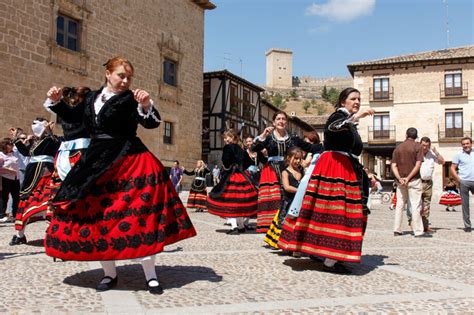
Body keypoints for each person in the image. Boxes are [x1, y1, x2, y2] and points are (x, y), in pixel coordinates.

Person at [44, 57, 196, 294]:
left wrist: (146, 105)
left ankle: (151, 275)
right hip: (95, 163)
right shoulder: (92, 98)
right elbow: (75, 118)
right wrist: (56, 103)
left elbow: (151, 124)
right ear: (108, 74)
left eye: (129, 77)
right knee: (98, 218)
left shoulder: (130, 99)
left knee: (140, 220)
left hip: (129, 160)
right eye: (121, 76)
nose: (125, 81)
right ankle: (109, 274)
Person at [278, 88, 373, 274]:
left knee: (335, 211)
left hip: (345, 168)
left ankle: (326, 253)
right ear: (342, 101)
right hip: (334, 169)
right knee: (336, 211)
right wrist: (356, 117)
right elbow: (333, 128)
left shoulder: (349, 122)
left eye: (359, 99)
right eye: (353, 98)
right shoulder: (337, 117)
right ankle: (329, 259)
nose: (357, 102)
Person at [251, 111, 323, 233]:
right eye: (278, 119)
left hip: (291, 171)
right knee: (276, 200)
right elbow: (254, 148)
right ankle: (275, 232)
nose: (281, 121)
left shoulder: (293, 139)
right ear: (273, 122)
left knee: (290, 200)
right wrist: (263, 135)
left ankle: (289, 230)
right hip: (272, 172)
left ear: (286, 122)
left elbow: (311, 148)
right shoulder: (268, 139)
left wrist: (326, 148)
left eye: (283, 119)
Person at [10, 118, 60, 245]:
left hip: (45, 172)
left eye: (39, 123)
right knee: (26, 200)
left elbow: (55, 147)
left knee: (47, 200)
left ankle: (53, 234)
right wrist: (17, 139)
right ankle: (19, 235)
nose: (34, 126)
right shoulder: (34, 141)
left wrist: (49, 133)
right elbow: (26, 153)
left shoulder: (52, 139)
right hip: (31, 173)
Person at [207, 130, 258, 235]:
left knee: (229, 201)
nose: (226, 140)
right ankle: (241, 226)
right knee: (239, 202)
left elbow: (225, 160)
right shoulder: (241, 148)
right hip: (241, 175)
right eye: (225, 138)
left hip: (231, 175)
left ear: (233, 138)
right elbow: (249, 162)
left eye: (227, 137)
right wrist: (240, 167)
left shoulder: (227, 147)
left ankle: (234, 227)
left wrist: (228, 166)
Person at [264, 146, 304, 248]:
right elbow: (287, 187)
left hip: (298, 203)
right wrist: (301, 191)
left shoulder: (301, 171)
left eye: (300, 159)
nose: (298, 161)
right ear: (288, 158)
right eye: (295, 158)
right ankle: (281, 242)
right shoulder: (285, 172)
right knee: (284, 222)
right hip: (288, 202)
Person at [391, 127, 428, 237]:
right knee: (415, 205)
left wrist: (400, 178)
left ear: (406, 135)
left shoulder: (398, 148)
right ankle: (418, 231)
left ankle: (397, 229)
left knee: (400, 204)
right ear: (416, 136)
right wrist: (408, 178)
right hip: (414, 180)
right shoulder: (418, 146)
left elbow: (393, 166)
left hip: (400, 181)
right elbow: (418, 164)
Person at [419, 136, 444, 233]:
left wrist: (436, 152)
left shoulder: (432, 154)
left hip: (428, 183)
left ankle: (425, 226)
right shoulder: (416, 153)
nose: (425, 147)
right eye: (423, 145)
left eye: (427, 146)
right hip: (418, 182)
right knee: (416, 205)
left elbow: (442, 162)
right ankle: (415, 225)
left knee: (426, 205)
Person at [450, 137, 474, 232]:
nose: (465, 145)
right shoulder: (458, 155)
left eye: (467, 143)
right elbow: (452, 168)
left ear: (471, 144)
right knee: (465, 205)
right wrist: (459, 180)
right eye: (463, 144)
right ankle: (467, 225)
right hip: (464, 182)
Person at [0, 138, 20, 223]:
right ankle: (2, 215)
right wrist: (10, 171)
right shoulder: (1, 155)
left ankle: (15, 214)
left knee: (16, 197)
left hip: (16, 178)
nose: (12, 145)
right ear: (5, 145)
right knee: (4, 197)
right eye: (10, 144)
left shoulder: (13, 154)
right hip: (5, 178)